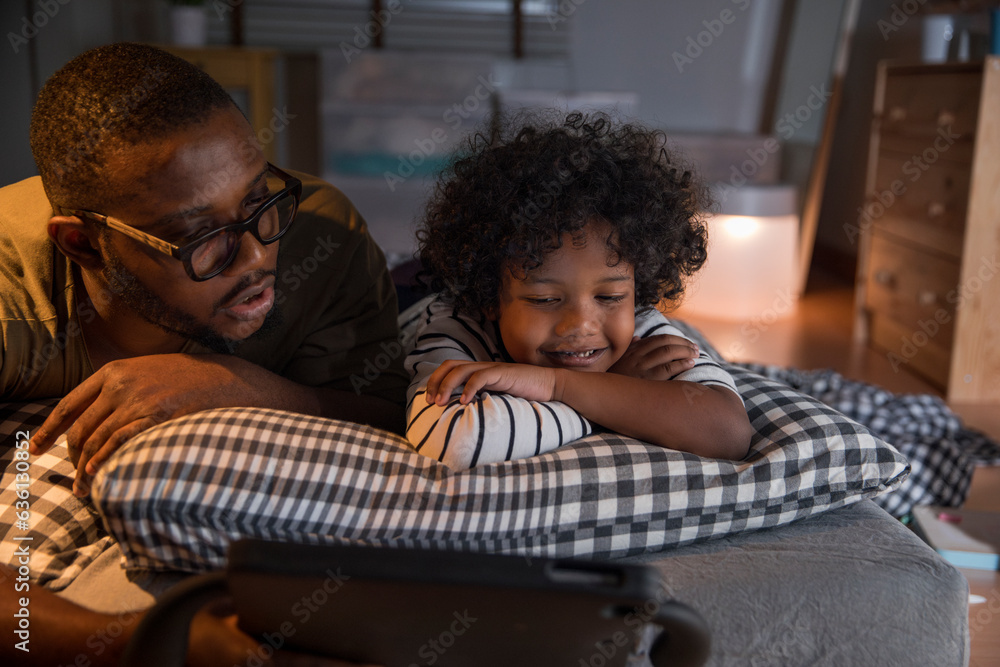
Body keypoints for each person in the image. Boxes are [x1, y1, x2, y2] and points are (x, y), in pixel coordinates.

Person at [0, 42, 404, 666]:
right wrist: (159, 643)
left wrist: (247, 388)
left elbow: (393, 420)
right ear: (83, 245)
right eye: (200, 237)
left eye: (256, 200)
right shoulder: (10, 298)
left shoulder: (321, 238)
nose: (257, 257)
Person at [405, 111, 753, 470]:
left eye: (609, 297)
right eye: (545, 299)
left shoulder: (641, 328)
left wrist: (561, 385)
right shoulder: (456, 325)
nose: (582, 324)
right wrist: (608, 389)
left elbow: (727, 433)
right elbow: (458, 440)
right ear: (491, 296)